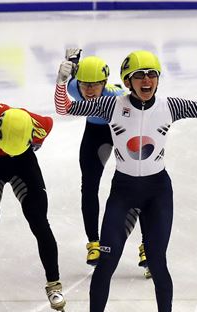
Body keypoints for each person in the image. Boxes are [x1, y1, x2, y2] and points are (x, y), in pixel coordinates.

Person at [54, 50, 197, 312]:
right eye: (140, 76)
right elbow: (63, 108)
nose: (147, 81)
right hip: (123, 192)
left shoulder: (170, 105)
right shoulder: (110, 104)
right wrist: (62, 82)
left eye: (152, 74)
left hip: (158, 193)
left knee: (157, 261)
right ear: (128, 80)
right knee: (106, 263)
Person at [0, 58, 66, 312]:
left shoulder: (41, 124)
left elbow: (49, 125)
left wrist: (33, 146)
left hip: (22, 165)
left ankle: (54, 283)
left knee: (39, 222)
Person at [63, 49, 151, 278]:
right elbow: (69, 80)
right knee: (89, 186)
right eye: (85, 85)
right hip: (95, 134)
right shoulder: (74, 87)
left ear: (105, 83)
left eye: (95, 85)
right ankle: (93, 243)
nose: (89, 90)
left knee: (139, 184)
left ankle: (148, 246)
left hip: (121, 130)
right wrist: (72, 61)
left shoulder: (117, 95)